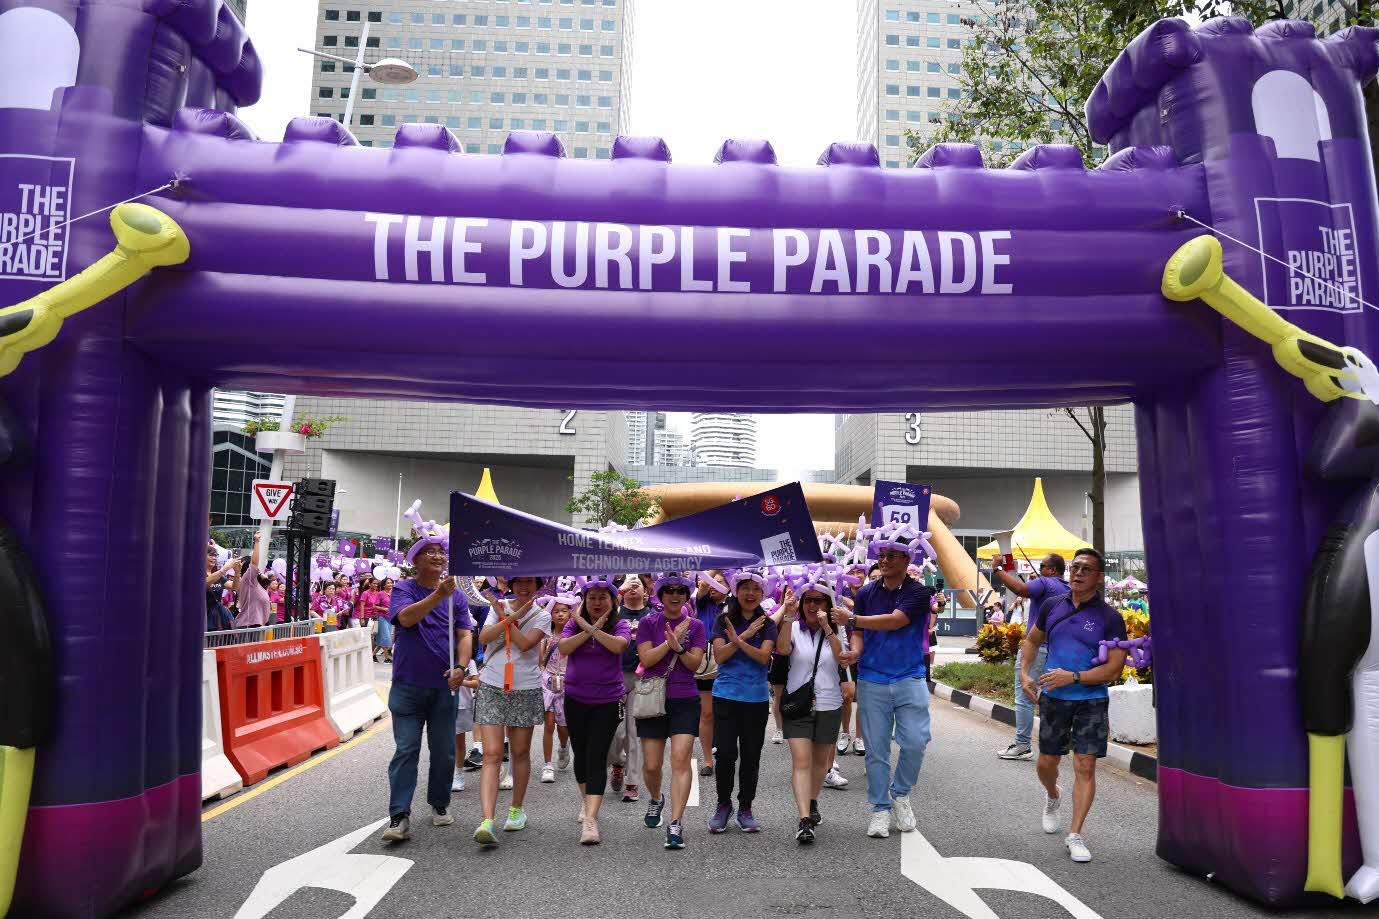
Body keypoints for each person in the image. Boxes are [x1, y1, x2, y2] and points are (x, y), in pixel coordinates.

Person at [1017, 548, 1127, 863]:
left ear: (1099, 577)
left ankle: (1075, 834)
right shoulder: (1052, 605)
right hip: (1053, 698)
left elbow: (1113, 670)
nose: (1078, 573)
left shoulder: (1109, 617)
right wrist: (1025, 674)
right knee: (1047, 762)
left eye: (1086, 569)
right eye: (1075, 567)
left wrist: (1074, 677)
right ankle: (1053, 795)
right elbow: (1032, 641)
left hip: (1091, 699)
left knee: (1085, 764)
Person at [832, 525, 933, 839]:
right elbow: (859, 634)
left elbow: (896, 620)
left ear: (906, 558)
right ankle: (879, 809)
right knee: (876, 751)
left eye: (892, 555)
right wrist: (854, 652)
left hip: (910, 677)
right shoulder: (865, 593)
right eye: (882, 555)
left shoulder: (918, 592)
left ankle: (900, 793)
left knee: (916, 742)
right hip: (872, 679)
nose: (885, 560)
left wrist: (852, 619)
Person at [379, 527, 474, 844]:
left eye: (440, 552)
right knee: (406, 748)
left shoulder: (457, 596)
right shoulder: (403, 589)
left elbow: (465, 635)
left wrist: (461, 666)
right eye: (429, 551)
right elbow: (405, 619)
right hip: (406, 686)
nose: (437, 556)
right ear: (415, 560)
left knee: (445, 752)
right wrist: (438, 595)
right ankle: (399, 814)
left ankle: (439, 802)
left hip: (444, 687)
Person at [472, 574, 551, 847]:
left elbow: (526, 644)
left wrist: (509, 616)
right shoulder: (500, 607)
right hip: (493, 684)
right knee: (492, 753)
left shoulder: (543, 615)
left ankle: (517, 808)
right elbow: (484, 637)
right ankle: (487, 819)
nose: (524, 587)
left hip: (525, 688)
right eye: (519, 582)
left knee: (519, 752)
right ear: (512, 585)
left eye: (530, 582)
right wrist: (507, 614)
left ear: (538, 586)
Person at [778, 573, 855, 844]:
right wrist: (787, 615)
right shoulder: (795, 627)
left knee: (821, 763)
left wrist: (830, 628)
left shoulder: (838, 630)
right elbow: (782, 649)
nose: (812, 606)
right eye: (808, 601)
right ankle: (804, 819)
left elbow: (842, 658)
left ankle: (812, 801)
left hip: (829, 703)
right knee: (801, 761)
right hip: (798, 703)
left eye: (819, 601)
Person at [636, 572, 708, 849]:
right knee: (652, 765)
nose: (675, 595)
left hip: (685, 698)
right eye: (669, 590)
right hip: (653, 698)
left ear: (686, 594)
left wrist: (679, 648)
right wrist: (670, 643)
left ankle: (676, 823)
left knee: (680, 760)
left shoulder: (697, 625)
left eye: (680, 590)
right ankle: (656, 799)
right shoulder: (647, 622)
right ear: (661, 594)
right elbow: (646, 658)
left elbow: (694, 665)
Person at [558, 576, 630, 845]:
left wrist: (595, 628)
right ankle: (586, 801)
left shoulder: (620, 625)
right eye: (592, 598)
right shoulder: (571, 624)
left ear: (612, 601)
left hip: (608, 701)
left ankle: (591, 820)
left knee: (597, 756)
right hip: (575, 698)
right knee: (581, 753)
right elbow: (564, 648)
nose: (597, 602)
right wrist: (586, 628)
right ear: (584, 602)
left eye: (602, 597)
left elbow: (618, 646)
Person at [708, 568, 777, 834]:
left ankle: (745, 807)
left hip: (756, 698)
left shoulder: (768, 623)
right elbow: (720, 656)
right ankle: (723, 805)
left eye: (756, 589)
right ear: (737, 591)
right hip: (725, 695)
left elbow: (763, 658)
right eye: (745, 588)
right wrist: (744, 636)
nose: (750, 593)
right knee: (725, 754)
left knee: (751, 756)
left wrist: (737, 640)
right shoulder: (723, 619)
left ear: (762, 593)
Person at [991, 554, 1069, 761]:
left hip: (1036, 648)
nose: (1040, 569)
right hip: (1058, 650)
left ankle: (1022, 744)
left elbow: (1020, 590)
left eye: (1042, 566)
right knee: (1050, 696)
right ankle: (1054, 743)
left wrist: (997, 569)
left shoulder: (1045, 582)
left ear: (1052, 569)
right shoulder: (1067, 589)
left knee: (1024, 696)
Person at [609, 572, 651, 803]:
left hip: (642, 680)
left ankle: (632, 782)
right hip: (612, 678)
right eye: (630, 585)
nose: (634, 587)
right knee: (616, 732)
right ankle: (617, 762)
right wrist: (619, 590)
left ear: (647, 591)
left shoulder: (653, 615)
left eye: (639, 584)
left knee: (634, 733)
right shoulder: (613, 614)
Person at [694, 569, 728, 777]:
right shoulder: (702, 603)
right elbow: (703, 583)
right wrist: (717, 567)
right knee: (706, 713)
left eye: (719, 583)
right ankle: (708, 760)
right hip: (706, 663)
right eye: (710, 582)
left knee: (724, 713)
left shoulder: (734, 606)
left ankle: (725, 751)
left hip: (729, 662)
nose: (713, 586)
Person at [540, 593, 575, 783]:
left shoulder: (575, 636)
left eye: (564, 611)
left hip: (568, 684)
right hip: (548, 683)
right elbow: (540, 662)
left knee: (563, 726)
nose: (560, 614)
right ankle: (547, 764)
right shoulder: (545, 637)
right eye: (556, 611)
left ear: (571, 613)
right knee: (549, 723)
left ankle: (563, 745)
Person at [228, 533, 273, 631]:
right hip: (249, 626)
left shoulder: (253, 583)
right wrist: (256, 542)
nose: (259, 570)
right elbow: (254, 563)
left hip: (255, 625)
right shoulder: (247, 579)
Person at [452, 659, 479, 792]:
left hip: (462, 706)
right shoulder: (440, 654)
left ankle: (458, 774)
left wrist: (461, 681)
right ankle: (446, 774)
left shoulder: (469, 662)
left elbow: (476, 682)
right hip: (441, 704)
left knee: (459, 743)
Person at [205, 545, 235, 632]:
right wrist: (224, 569)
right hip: (202, 616)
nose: (214, 558)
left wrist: (237, 572)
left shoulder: (218, 576)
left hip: (217, 617)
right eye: (211, 555)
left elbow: (234, 586)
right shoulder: (196, 572)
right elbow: (204, 583)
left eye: (215, 555)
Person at [376, 577, 396, 662]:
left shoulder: (394, 593)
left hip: (390, 618)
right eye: (388, 583)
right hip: (382, 617)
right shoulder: (380, 593)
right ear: (384, 585)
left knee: (383, 638)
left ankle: (373, 655)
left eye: (391, 582)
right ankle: (386, 658)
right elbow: (374, 605)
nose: (390, 584)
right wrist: (384, 609)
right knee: (386, 637)